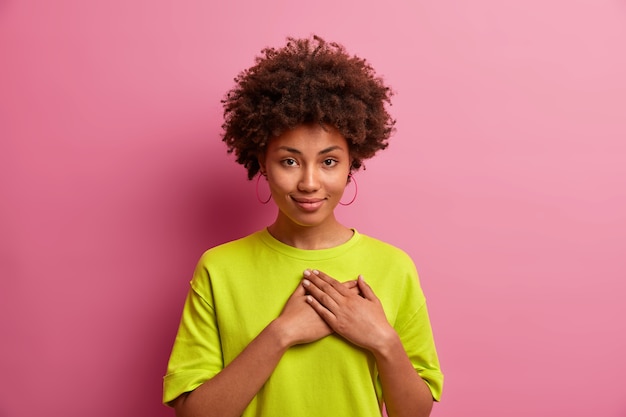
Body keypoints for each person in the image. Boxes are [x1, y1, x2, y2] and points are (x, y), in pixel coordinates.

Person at [163, 35, 443, 417]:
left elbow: (413, 413)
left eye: (328, 162)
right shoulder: (219, 268)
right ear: (262, 161)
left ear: (351, 164)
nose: (310, 182)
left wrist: (382, 340)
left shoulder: (394, 267)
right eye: (290, 161)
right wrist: (282, 333)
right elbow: (196, 414)